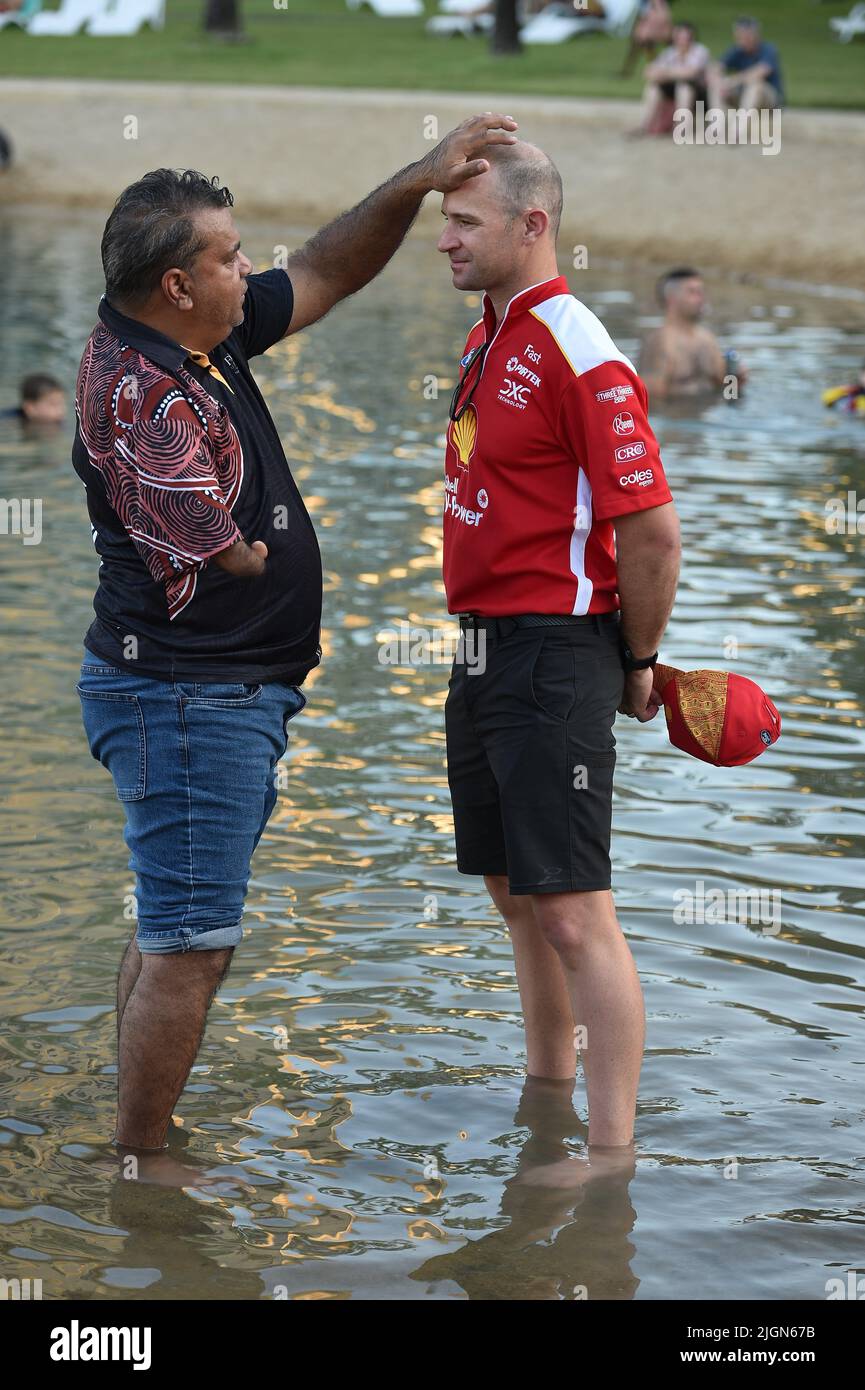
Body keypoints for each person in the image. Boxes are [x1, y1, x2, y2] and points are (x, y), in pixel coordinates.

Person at [72, 114, 518, 1180]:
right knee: (193, 940)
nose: (250, 266)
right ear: (176, 283)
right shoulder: (142, 393)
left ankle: (131, 1134)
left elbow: (322, 268)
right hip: (186, 699)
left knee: (176, 920)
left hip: (211, 696)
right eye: (228, 256)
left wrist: (413, 182)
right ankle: (140, 1167)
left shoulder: (191, 335)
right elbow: (221, 551)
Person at [437, 141, 681, 1152]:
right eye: (442, 220)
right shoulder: (487, 334)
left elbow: (653, 530)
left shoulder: (578, 345)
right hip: (483, 646)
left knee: (576, 912)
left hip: (556, 649)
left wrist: (635, 661)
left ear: (533, 225)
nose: (444, 239)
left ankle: (609, 1156)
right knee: (514, 894)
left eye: (465, 222)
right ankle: (546, 1096)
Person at [640, 267, 748, 401]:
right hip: (675, 418)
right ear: (671, 299)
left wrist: (736, 379)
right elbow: (650, 397)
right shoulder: (660, 342)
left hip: (709, 415)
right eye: (692, 292)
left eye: (701, 292)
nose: (701, 298)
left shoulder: (707, 339)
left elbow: (727, 388)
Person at [633, 20, 710, 136]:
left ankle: (681, 129)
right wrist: (670, 73)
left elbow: (691, 73)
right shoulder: (670, 52)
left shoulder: (699, 51)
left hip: (700, 97)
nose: (682, 41)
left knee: (684, 88)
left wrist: (665, 72)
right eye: (679, 37)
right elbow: (648, 72)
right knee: (653, 88)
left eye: (685, 37)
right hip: (675, 91)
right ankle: (645, 125)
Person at [707, 15, 784, 114]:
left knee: (756, 85)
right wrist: (717, 79)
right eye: (739, 36)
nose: (742, 39)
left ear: (756, 35)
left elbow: (760, 72)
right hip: (743, 97)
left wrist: (731, 82)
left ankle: (739, 128)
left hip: (769, 101)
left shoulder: (768, 50)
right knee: (716, 85)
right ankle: (717, 126)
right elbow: (717, 66)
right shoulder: (737, 50)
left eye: (746, 35)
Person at [620, 0, 674, 77]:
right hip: (651, 24)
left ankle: (627, 70)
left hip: (654, 24)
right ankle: (657, 66)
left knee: (642, 48)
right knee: (644, 48)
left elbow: (661, 14)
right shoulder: (649, 4)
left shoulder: (656, 3)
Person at [0, 372, 65, 425]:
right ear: (30, 408)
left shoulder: (57, 423)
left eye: (61, 404)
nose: (60, 411)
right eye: (53, 404)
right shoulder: (9, 421)